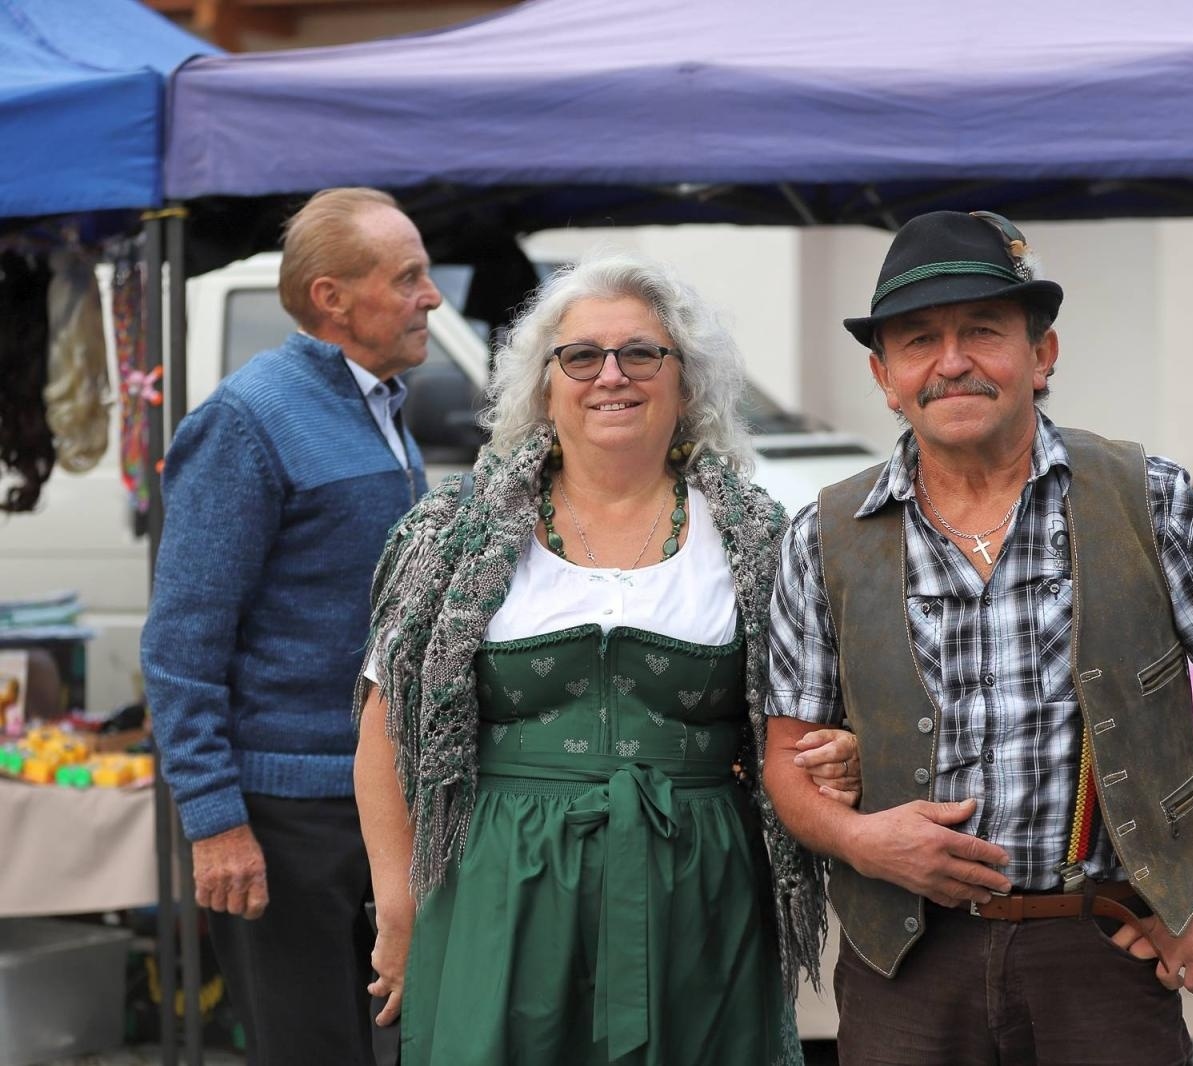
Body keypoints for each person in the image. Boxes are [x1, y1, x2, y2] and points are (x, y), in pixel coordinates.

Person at [761, 209, 1193, 1066]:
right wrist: (863, 840)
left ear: (1042, 355)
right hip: (907, 963)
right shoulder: (824, 535)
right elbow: (786, 763)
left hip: (1101, 947)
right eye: (918, 342)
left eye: (982, 331)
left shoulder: (1147, 499)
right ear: (884, 375)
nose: (951, 363)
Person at [354, 251, 857, 1065]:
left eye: (641, 353)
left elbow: (816, 712)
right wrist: (398, 905)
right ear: (544, 386)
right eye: (581, 356)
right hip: (496, 893)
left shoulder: (763, 537)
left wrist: (841, 750)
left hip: (697, 897)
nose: (610, 376)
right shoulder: (452, 533)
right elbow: (385, 726)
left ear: (686, 382)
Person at [141, 187, 438, 1065]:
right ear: (331, 299)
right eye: (409, 277)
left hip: (374, 800)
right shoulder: (248, 421)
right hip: (284, 819)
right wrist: (215, 822)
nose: (432, 296)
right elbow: (180, 643)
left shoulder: (382, 409)